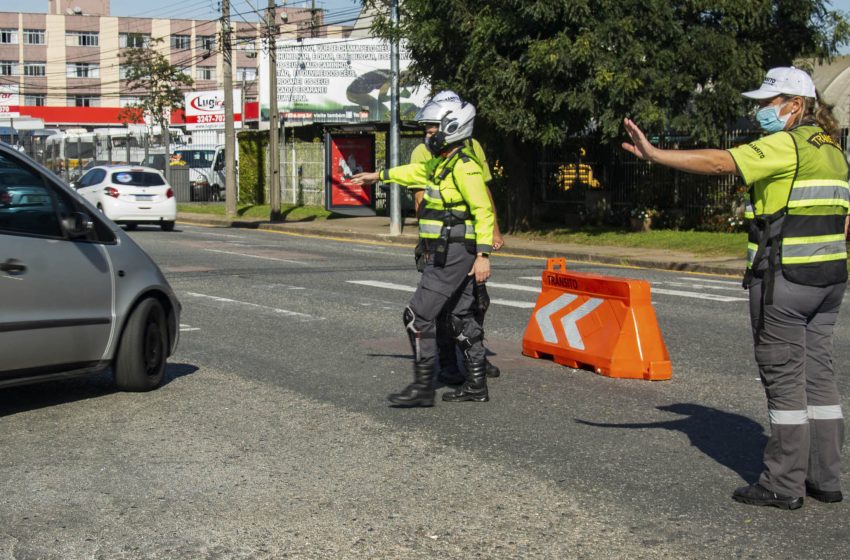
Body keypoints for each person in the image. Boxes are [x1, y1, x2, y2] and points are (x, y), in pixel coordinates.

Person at [621, 66, 847, 510]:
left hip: (786, 280)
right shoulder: (833, 149)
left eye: (767, 103)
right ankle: (826, 477)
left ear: (795, 105)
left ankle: (783, 483)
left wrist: (656, 154)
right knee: (819, 377)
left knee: (783, 380)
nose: (759, 110)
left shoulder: (788, 144)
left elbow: (721, 161)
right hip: (829, 281)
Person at [352, 91, 495, 406]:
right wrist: (377, 176)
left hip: (454, 252)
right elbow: (412, 173)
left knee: (417, 316)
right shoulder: (442, 164)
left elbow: (483, 209)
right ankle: (476, 385)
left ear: (452, 127)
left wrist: (483, 254)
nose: (428, 135)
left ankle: (423, 388)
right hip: (448, 250)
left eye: (432, 130)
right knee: (459, 316)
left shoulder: (464, 167)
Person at [407, 95, 503, 385]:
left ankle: (475, 358)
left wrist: (494, 230)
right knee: (442, 306)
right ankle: (448, 363)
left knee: (476, 302)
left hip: (471, 241)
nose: (430, 131)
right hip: (441, 242)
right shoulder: (423, 151)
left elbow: (482, 193)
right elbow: (420, 198)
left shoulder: (472, 145)